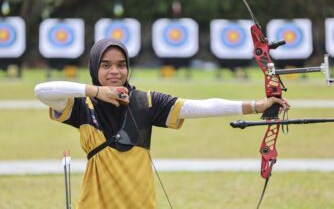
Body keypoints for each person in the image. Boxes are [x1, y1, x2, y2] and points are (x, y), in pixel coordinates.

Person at [35, 38, 289, 209]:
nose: (115, 71)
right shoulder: (82, 105)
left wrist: (256, 105)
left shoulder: (146, 101)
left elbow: (200, 106)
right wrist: (96, 91)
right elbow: (42, 90)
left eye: (121, 65)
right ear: (94, 68)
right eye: (106, 65)